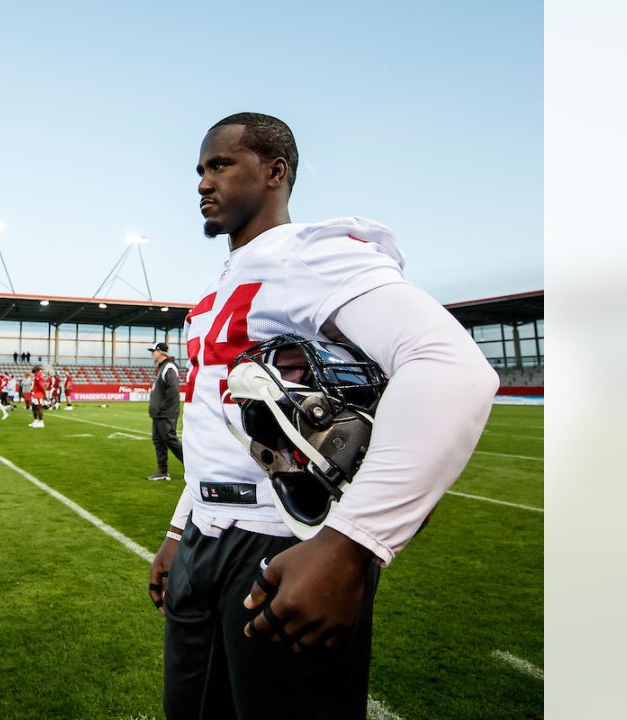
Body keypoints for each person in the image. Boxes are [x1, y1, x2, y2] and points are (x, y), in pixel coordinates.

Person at [149, 112, 497, 719]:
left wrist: (351, 545)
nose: (204, 182)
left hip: (284, 538)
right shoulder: (224, 283)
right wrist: (183, 529)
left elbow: (449, 363)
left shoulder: (312, 254)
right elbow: (216, 423)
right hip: (208, 533)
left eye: (221, 165)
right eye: (201, 170)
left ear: (275, 172)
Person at [146, 343, 183, 482]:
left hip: (166, 413)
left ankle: (193, 468)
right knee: (158, 441)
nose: (152, 354)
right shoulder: (162, 367)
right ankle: (162, 471)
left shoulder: (169, 367)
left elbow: (173, 391)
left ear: (161, 352)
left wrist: (161, 407)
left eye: (153, 351)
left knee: (170, 440)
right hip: (159, 413)